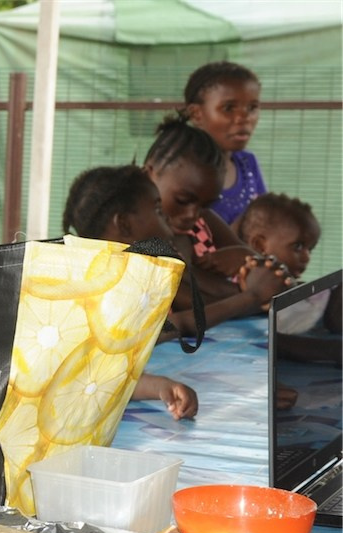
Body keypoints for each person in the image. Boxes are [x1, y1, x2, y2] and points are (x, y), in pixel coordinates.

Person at [61, 164, 198, 420]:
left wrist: (160, 387)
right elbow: (94, 375)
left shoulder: (124, 282)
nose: (168, 222)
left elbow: (106, 372)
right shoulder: (100, 291)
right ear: (123, 223)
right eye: (158, 211)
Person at [142, 116, 289, 335]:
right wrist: (250, 295)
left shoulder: (205, 220)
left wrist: (246, 257)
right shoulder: (135, 235)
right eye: (182, 200)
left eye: (204, 205)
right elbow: (194, 306)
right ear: (149, 174)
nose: (192, 215)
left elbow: (265, 276)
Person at [182, 61, 266, 231]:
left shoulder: (247, 163)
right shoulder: (180, 169)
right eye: (228, 108)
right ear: (196, 114)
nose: (244, 118)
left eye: (252, 108)